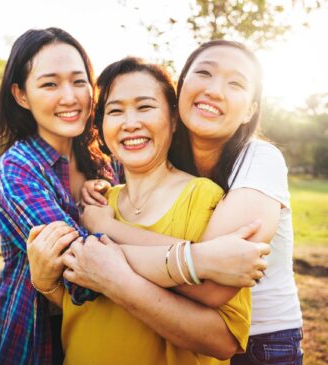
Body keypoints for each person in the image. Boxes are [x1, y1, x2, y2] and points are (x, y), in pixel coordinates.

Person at [28, 57, 271, 365]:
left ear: (173, 119)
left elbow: (225, 341)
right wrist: (46, 282)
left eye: (145, 107)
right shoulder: (94, 204)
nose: (130, 123)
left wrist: (115, 277)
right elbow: (83, 303)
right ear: (101, 129)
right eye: (115, 111)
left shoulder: (206, 199)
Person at [83, 41, 304, 365]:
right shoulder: (163, 155)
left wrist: (103, 237)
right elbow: (200, 262)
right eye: (204, 73)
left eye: (236, 83)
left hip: (263, 340)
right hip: (184, 329)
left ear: (250, 110)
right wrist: (101, 184)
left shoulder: (259, 159)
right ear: (180, 88)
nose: (215, 90)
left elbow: (211, 285)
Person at [0, 27, 117, 365]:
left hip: (111, 341)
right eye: (49, 84)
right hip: (42, 345)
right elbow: (86, 278)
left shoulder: (106, 162)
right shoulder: (17, 170)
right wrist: (191, 262)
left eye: (79, 80)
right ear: (21, 95)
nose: (70, 97)